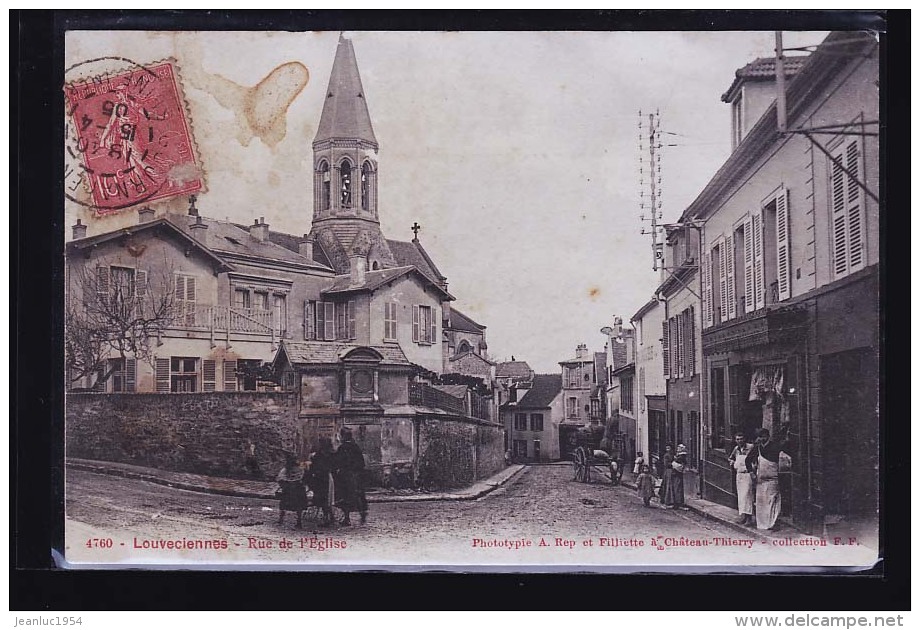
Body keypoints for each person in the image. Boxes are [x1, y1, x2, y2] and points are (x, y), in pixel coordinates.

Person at [746, 425, 792, 531]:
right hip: (760, 479)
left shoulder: (775, 446)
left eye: (764, 436)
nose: (762, 439)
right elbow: (747, 460)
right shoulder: (757, 448)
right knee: (762, 502)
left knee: (773, 500)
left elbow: (785, 457)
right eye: (760, 437)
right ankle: (763, 523)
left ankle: (773, 522)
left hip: (773, 478)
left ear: (768, 436)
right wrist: (751, 472)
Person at [335, 428, 368, 525]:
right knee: (359, 495)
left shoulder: (342, 448)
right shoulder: (356, 447)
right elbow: (362, 463)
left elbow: (338, 462)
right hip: (357, 475)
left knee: (345, 497)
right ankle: (362, 515)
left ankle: (347, 518)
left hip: (346, 476)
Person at [729, 432, 755, 526]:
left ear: (745, 439)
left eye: (741, 439)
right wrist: (732, 462)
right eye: (737, 439)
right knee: (741, 497)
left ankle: (749, 518)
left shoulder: (751, 447)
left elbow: (756, 459)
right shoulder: (736, 449)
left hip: (747, 474)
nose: (740, 441)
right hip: (739, 475)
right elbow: (731, 458)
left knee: (747, 496)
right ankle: (743, 516)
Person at [276, 452, 308, 528]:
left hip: (290, 489)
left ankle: (281, 519)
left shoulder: (286, 469)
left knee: (284, 504)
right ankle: (298, 521)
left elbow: (280, 479)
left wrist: (286, 484)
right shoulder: (298, 467)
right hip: (296, 489)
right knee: (298, 506)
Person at [309, 437, 336, 525]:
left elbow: (314, 467)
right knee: (327, 498)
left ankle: (327, 518)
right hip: (325, 477)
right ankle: (330, 516)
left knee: (325, 498)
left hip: (323, 478)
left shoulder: (320, 455)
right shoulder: (330, 454)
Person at [663, 444, 688, 509]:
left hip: (677, 473)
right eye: (667, 448)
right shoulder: (668, 455)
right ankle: (673, 502)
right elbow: (666, 464)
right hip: (671, 472)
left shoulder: (679, 455)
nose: (668, 450)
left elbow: (682, 462)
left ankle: (677, 502)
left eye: (669, 448)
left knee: (677, 487)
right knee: (672, 487)